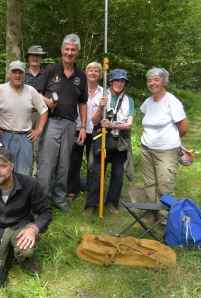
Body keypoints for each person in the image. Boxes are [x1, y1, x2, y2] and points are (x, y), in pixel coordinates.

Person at [0, 147, 52, 286]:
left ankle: (23, 255)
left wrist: (34, 229)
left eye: (3, 166)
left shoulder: (29, 184)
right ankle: (9, 251)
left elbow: (45, 212)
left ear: (12, 166)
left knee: (26, 250)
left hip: (20, 226)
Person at [36, 34, 88, 213]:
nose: (69, 52)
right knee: (47, 161)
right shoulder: (50, 70)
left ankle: (59, 199)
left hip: (70, 124)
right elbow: (37, 94)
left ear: (77, 52)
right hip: (51, 121)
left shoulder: (81, 75)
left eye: (73, 50)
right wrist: (48, 102)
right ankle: (42, 200)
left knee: (65, 162)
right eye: (67, 49)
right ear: (61, 50)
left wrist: (82, 126)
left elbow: (82, 102)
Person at [83, 69, 135, 216]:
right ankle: (91, 204)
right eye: (116, 80)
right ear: (111, 82)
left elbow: (129, 124)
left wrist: (113, 125)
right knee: (98, 172)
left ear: (125, 83)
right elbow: (93, 120)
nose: (119, 83)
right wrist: (100, 107)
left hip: (120, 140)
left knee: (118, 173)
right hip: (102, 138)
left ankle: (112, 203)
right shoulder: (101, 96)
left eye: (122, 81)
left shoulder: (129, 100)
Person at [140, 67, 189, 221]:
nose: (152, 83)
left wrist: (170, 139)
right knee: (150, 183)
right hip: (146, 149)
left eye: (156, 79)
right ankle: (154, 213)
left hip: (166, 151)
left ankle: (167, 221)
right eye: (149, 80)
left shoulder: (171, 101)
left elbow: (184, 127)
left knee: (164, 187)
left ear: (164, 82)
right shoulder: (148, 102)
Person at [0, 60, 48, 175]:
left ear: (25, 74)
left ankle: (21, 193)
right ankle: (4, 193)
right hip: (4, 137)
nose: (17, 75)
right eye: (14, 72)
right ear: (9, 73)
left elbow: (44, 110)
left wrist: (39, 129)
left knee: (23, 174)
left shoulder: (31, 91)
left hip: (25, 137)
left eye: (20, 72)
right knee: (3, 172)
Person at [66, 62, 103, 201]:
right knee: (74, 161)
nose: (93, 73)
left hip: (95, 131)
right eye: (90, 70)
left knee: (93, 162)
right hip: (78, 129)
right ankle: (72, 190)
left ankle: (91, 188)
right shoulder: (78, 89)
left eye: (96, 71)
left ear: (99, 74)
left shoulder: (103, 92)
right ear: (86, 73)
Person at [23, 45, 47, 177]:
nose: (35, 57)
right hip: (23, 114)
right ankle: (23, 174)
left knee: (39, 146)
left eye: (38, 55)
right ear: (28, 57)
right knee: (24, 144)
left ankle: (36, 175)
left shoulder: (46, 74)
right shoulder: (21, 73)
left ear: (42, 57)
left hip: (40, 114)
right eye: (32, 55)